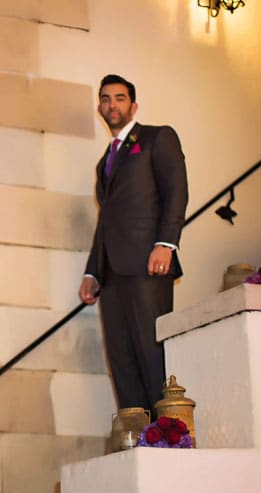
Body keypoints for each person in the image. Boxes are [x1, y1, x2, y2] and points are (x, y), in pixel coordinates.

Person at [78, 74, 188, 415]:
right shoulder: (104, 162)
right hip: (112, 274)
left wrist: (165, 244)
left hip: (148, 265)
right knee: (121, 357)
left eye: (120, 98)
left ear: (133, 105)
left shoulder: (158, 138)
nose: (113, 104)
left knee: (151, 351)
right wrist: (92, 272)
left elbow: (176, 192)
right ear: (100, 107)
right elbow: (106, 220)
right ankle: (135, 432)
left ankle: (168, 429)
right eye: (107, 99)